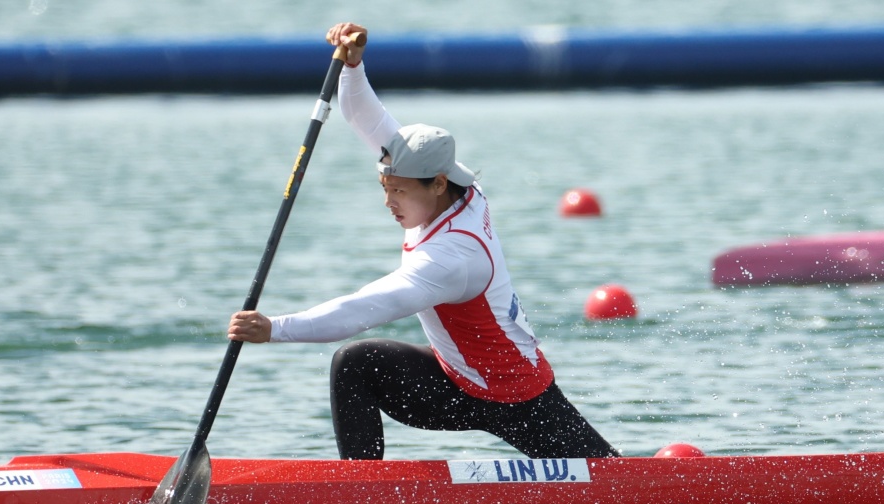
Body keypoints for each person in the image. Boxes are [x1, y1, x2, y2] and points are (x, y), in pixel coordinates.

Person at [228, 22, 620, 461]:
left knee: (613, 480)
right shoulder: (455, 185)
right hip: (453, 380)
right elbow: (364, 118)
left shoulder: (452, 256)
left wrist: (276, 329)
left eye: (398, 191)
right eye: (384, 187)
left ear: (436, 184)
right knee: (355, 365)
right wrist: (353, 68)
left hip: (516, 396)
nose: (388, 202)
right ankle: (362, 495)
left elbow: (366, 307)